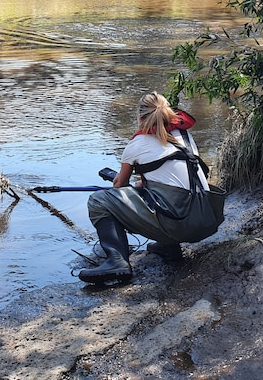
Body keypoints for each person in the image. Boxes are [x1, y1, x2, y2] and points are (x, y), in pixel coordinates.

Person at [78, 92, 219, 285]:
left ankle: (116, 261)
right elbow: (175, 177)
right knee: (159, 196)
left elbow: (120, 185)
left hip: (179, 223)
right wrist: (144, 185)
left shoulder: (136, 144)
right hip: (205, 218)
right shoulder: (185, 136)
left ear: (139, 117)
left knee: (99, 201)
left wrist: (129, 185)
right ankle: (169, 247)